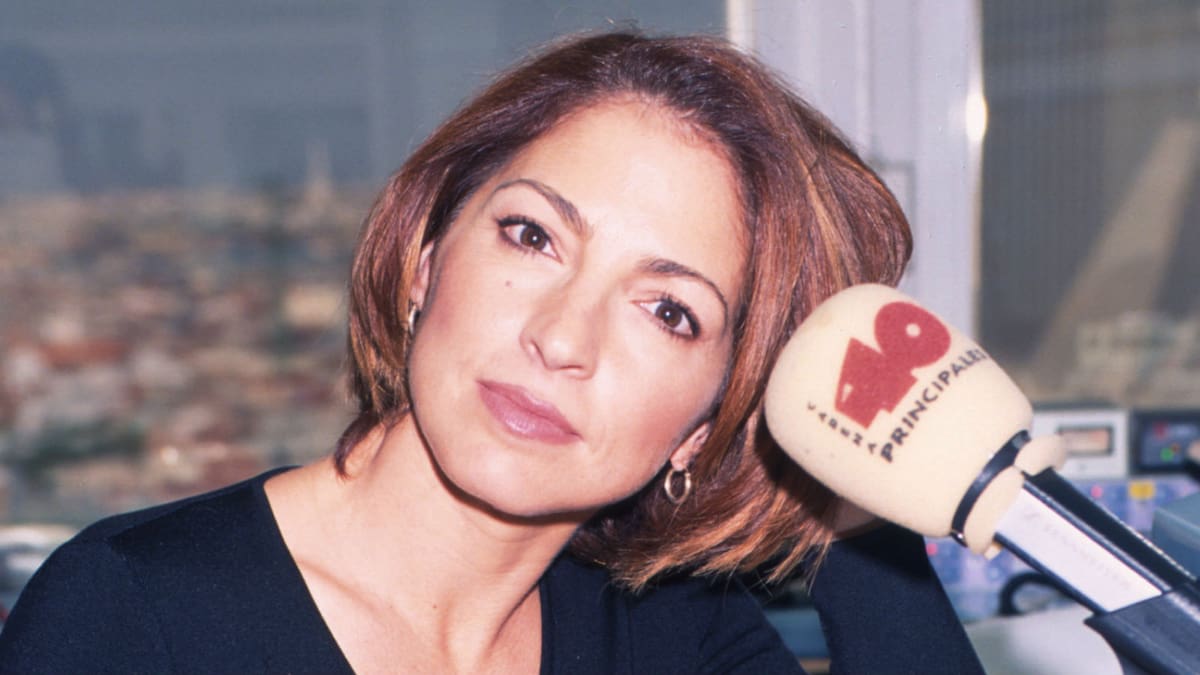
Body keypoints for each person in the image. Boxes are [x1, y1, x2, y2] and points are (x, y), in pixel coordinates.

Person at [0, 32, 982, 674]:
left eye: (668, 311)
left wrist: (849, 478)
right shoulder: (130, 613)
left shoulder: (669, 635)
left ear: (705, 424)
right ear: (424, 259)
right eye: (531, 236)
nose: (561, 338)